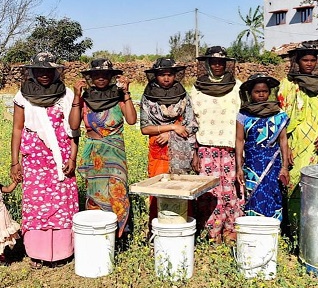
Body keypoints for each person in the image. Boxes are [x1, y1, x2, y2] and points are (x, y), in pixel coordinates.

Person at [11, 52, 79, 269]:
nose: (44, 75)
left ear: (55, 72)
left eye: (48, 71)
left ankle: (62, 253)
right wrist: (15, 162)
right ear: (32, 71)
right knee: (37, 205)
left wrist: (73, 157)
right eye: (40, 70)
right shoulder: (23, 95)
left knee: (61, 204)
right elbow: (17, 129)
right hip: (34, 161)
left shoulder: (66, 94)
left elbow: (73, 130)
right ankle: (37, 253)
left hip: (60, 160)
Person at [69, 59, 137, 239]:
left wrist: (126, 92)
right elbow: (74, 124)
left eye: (105, 75)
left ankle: (119, 235)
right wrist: (76, 96)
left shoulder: (118, 97)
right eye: (96, 75)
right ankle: (98, 234)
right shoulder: (85, 99)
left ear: (111, 77)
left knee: (117, 193)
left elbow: (131, 120)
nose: (101, 78)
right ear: (90, 78)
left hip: (115, 158)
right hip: (95, 157)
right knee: (95, 195)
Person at [277, 44, 318, 231]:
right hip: (295, 145)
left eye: (312, 60)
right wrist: (285, 149)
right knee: (295, 185)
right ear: (297, 62)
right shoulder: (288, 85)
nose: (309, 64)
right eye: (305, 60)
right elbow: (279, 119)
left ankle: (315, 230)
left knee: (317, 187)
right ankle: (295, 229)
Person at [191, 46, 243, 244]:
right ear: (207, 64)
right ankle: (212, 233)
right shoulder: (196, 89)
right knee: (209, 191)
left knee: (230, 189)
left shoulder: (237, 87)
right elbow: (193, 121)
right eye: (213, 62)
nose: (218, 65)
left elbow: (242, 121)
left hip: (230, 147)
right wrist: (195, 152)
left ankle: (231, 229)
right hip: (205, 147)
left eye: (221, 62)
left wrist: (241, 150)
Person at [140, 58, 198, 222]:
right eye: (162, 75)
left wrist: (172, 136)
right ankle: (156, 230)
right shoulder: (148, 97)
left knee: (182, 189)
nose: (166, 78)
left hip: (180, 150)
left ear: (175, 76)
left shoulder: (183, 95)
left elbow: (191, 124)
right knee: (158, 189)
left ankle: (182, 228)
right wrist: (172, 128)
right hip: (158, 148)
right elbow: (145, 128)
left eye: (170, 74)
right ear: (155, 76)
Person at [235, 74, 290, 220]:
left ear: (270, 92)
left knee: (273, 193)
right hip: (253, 165)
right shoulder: (243, 115)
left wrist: (284, 167)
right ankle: (254, 228)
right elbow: (239, 140)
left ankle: (273, 230)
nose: (261, 94)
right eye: (257, 91)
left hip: (273, 164)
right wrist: (239, 168)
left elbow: (283, 140)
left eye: (264, 91)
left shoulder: (279, 115)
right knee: (254, 195)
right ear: (250, 93)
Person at [0, 180, 21, 265]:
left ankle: (1, 256)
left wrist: (16, 182)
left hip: (1, 216)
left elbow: (8, 189)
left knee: (2, 236)